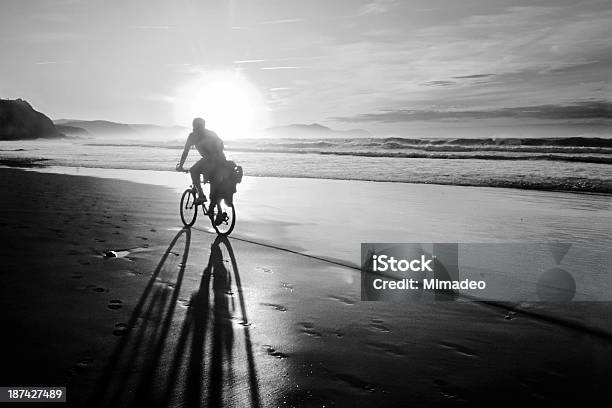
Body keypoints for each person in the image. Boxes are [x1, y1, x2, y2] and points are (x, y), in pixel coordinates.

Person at [176, 117, 226, 223]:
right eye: (198, 126)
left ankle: (202, 196)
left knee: (194, 171)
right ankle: (219, 213)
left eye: (200, 126)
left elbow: (185, 151)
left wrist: (181, 166)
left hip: (214, 160)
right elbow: (186, 152)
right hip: (218, 161)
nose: (198, 128)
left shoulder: (195, 136)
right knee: (214, 186)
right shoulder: (199, 135)